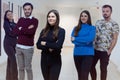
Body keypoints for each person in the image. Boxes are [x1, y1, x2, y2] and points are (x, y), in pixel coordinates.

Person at [90, 5, 119, 80]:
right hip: (95, 49)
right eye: (103, 11)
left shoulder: (114, 24)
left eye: (107, 11)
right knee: (91, 66)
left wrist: (110, 50)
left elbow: (115, 39)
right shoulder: (98, 22)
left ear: (110, 12)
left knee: (103, 69)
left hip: (105, 51)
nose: (105, 13)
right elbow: (94, 34)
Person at [36, 9, 65, 80]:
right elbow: (38, 45)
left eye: (53, 16)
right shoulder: (44, 31)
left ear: (57, 18)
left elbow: (58, 46)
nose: (50, 18)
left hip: (55, 61)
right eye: (49, 17)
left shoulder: (61, 31)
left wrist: (45, 43)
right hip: (44, 60)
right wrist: (51, 46)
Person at [13, 2, 38, 80]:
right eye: (25, 9)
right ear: (23, 10)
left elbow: (31, 33)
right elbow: (15, 32)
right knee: (20, 68)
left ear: (31, 10)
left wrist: (21, 28)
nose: (27, 11)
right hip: (18, 47)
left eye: (28, 9)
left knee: (28, 68)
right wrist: (26, 29)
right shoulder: (21, 19)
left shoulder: (35, 20)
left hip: (28, 49)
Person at [71, 10, 96, 80]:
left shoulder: (92, 28)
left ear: (88, 17)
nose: (83, 17)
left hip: (88, 54)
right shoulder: (75, 28)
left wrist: (76, 39)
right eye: (82, 16)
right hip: (77, 54)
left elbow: (90, 39)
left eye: (85, 16)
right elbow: (72, 40)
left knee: (84, 76)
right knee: (79, 75)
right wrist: (85, 41)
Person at [3, 10, 18, 80]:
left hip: (14, 45)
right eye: (8, 14)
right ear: (6, 16)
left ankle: (8, 78)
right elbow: (10, 33)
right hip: (7, 44)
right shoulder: (5, 24)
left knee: (10, 61)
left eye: (11, 14)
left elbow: (18, 32)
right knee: (13, 61)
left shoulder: (15, 24)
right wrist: (15, 31)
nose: (10, 15)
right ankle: (15, 78)